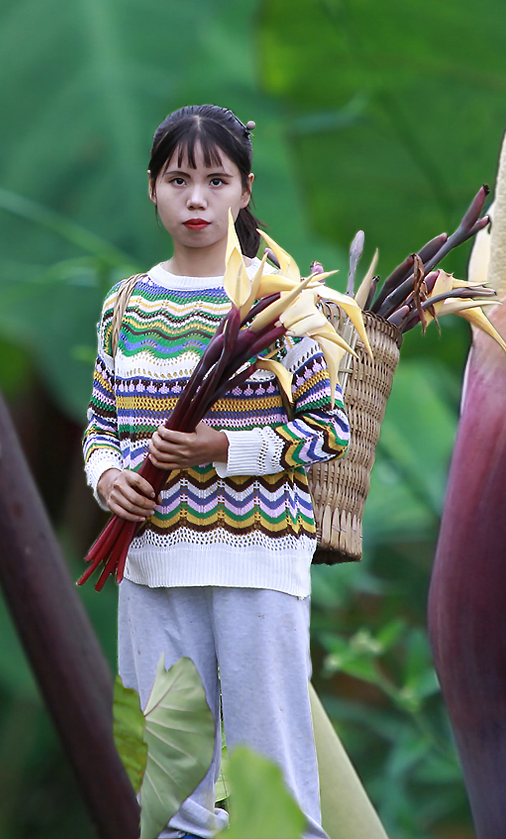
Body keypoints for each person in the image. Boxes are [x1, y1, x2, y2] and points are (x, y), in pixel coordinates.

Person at [83, 104, 347, 839]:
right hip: (151, 564)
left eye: (215, 180)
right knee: (167, 793)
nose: (196, 199)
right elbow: (101, 427)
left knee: (272, 788)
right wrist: (107, 480)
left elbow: (329, 432)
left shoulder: (281, 305)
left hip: (256, 561)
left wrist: (222, 449)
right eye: (178, 180)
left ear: (245, 190)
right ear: (152, 189)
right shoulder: (125, 304)